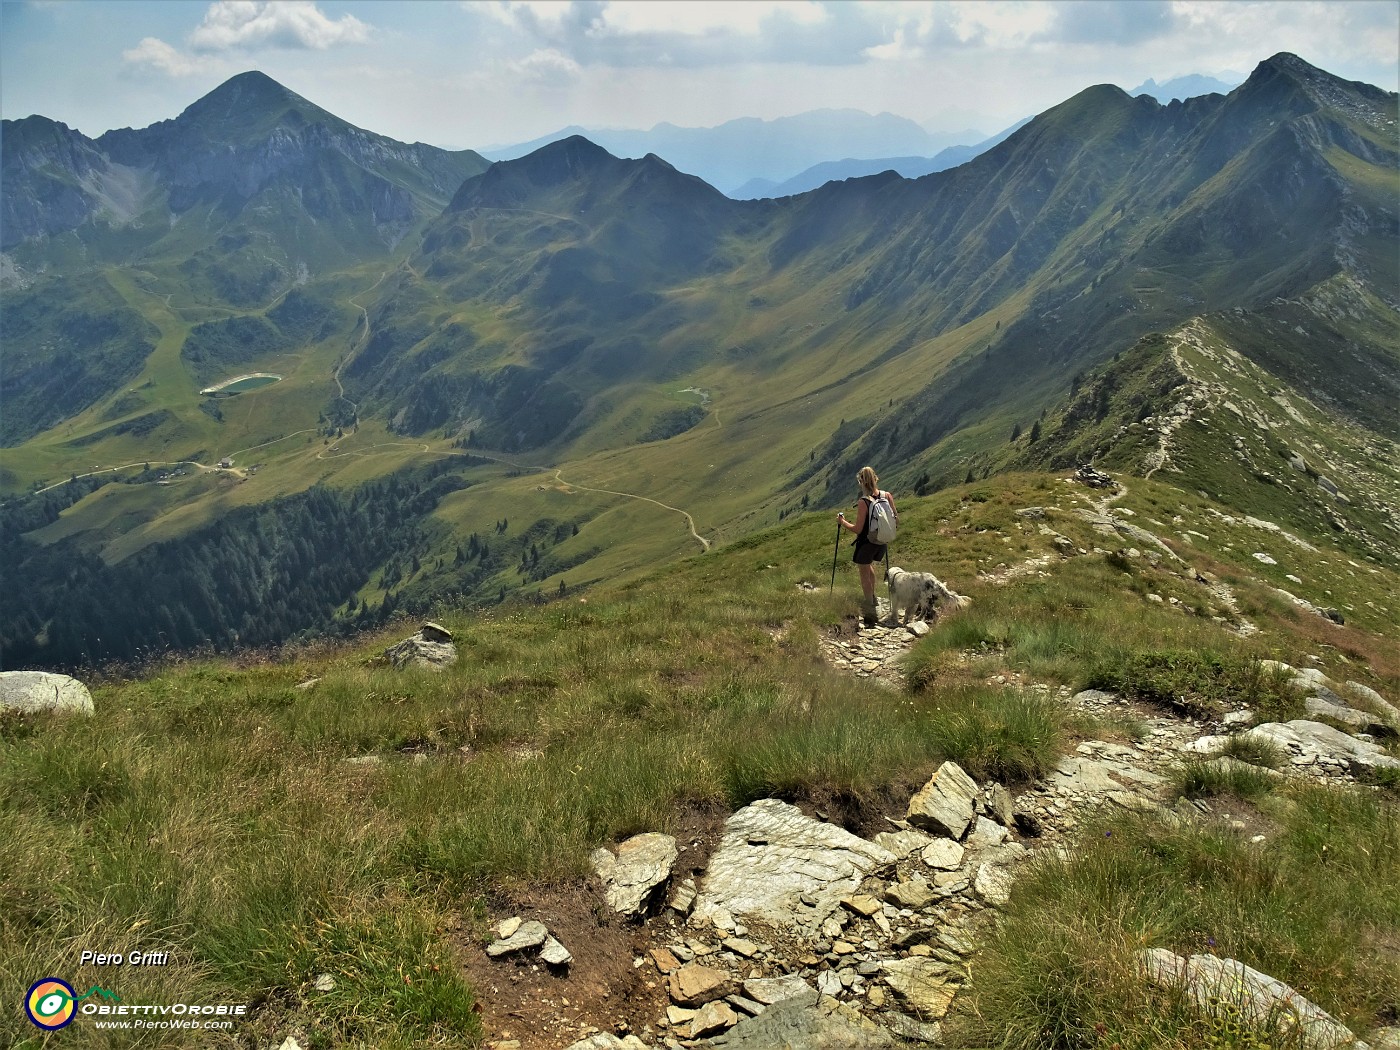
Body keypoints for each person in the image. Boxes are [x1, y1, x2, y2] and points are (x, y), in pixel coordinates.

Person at [837, 466, 896, 627]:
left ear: (861, 481)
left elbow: (857, 529)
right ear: (876, 479)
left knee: (863, 571)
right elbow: (895, 519)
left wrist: (842, 522)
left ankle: (869, 605)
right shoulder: (887, 496)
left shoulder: (864, 502)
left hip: (866, 542)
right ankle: (873, 597)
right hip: (882, 541)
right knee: (870, 565)